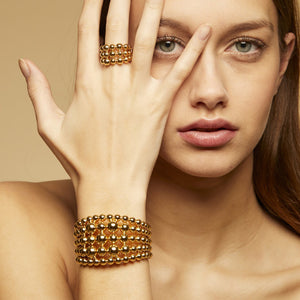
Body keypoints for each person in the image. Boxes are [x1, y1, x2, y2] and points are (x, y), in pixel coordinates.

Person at [1, 0, 300, 298]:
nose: (210, 92)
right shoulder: (17, 224)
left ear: (282, 62)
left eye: (245, 46)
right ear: (107, 61)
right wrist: (110, 196)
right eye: (166, 45)